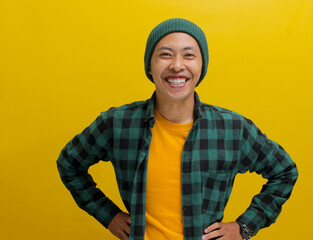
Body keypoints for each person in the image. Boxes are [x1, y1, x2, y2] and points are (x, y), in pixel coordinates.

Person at [57, 18, 298, 240]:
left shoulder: (233, 129)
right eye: (165, 55)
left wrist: (244, 227)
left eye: (189, 55)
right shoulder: (117, 124)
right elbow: (70, 164)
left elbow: (284, 171)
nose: (177, 65)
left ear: (201, 67)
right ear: (149, 67)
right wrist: (108, 216)